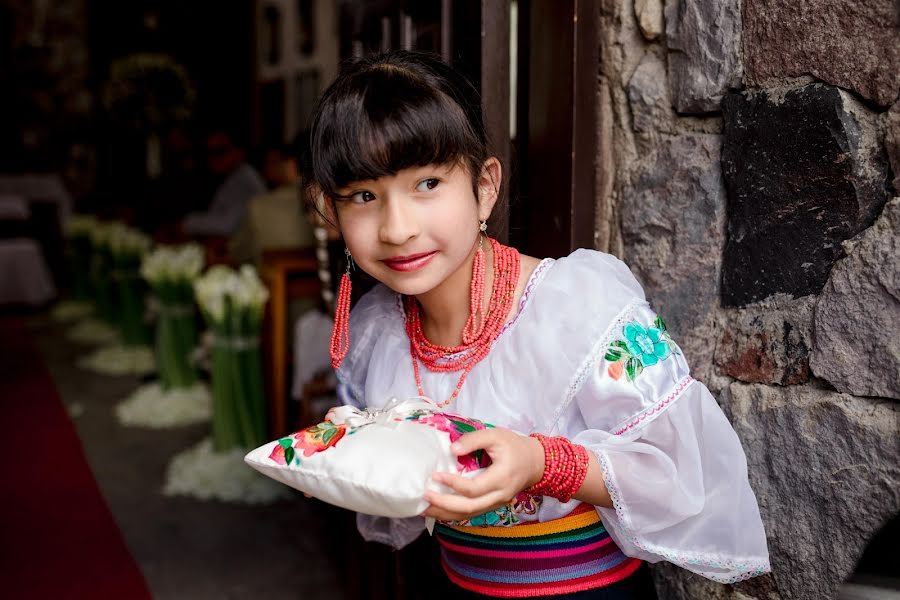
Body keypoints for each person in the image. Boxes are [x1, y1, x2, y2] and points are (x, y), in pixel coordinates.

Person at [306, 51, 770, 598]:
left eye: (427, 184)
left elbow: (683, 475)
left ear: (484, 187)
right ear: (329, 212)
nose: (397, 228)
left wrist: (541, 462)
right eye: (364, 196)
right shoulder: (374, 332)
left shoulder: (577, 308)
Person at [229, 133, 317, 267]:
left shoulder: (259, 206)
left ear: (290, 164)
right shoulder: (335, 203)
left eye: (276, 162)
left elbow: (238, 253)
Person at [181, 130, 266, 237]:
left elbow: (226, 226)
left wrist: (186, 223)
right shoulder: (231, 178)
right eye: (209, 152)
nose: (214, 158)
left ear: (239, 152)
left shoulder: (245, 180)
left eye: (220, 151)